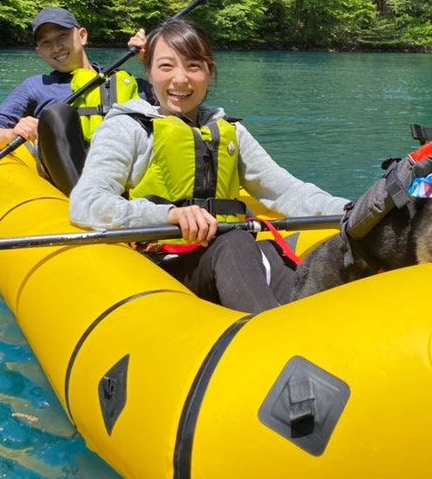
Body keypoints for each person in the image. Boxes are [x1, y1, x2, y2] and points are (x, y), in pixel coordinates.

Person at [68, 19, 349, 313]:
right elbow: (86, 202)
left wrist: (351, 210)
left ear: (209, 72)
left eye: (193, 66)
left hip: (229, 256)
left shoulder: (228, 130)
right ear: (149, 73)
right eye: (166, 67)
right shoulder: (127, 128)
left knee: (272, 253)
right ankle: (271, 340)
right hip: (163, 267)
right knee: (236, 242)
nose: (180, 79)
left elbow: (284, 191)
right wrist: (170, 215)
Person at [0, 7, 151, 193]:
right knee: (58, 115)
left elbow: (176, 102)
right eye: (46, 43)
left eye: (62, 36)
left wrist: (148, 60)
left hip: (132, 171)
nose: (56, 47)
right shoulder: (36, 87)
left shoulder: (125, 81)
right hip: (76, 183)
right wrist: (11, 134)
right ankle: (91, 199)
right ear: (39, 51)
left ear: (82, 36)